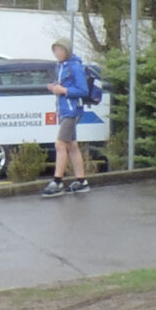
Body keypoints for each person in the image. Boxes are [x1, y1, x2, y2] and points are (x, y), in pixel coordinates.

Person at [46, 40, 93, 196]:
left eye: (60, 50)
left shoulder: (74, 67)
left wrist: (63, 90)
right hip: (66, 110)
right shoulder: (61, 66)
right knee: (72, 145)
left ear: (67, 51)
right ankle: (81, 181)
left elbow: (83, 90)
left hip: (72, 111)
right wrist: (55, 88)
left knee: (60, 144)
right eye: (56, 51)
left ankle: (57, 181)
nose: (57, 53)